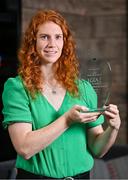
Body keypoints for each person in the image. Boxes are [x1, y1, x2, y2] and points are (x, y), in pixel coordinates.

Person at [2, 9, 121, 179]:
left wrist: (113, 128)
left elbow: (97, 148)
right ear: (32, 42)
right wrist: (67, 120)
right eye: (44, 37)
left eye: (58, 37)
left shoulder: (84, 89)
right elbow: (24, 148)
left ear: (65, 43)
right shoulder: (17, 88)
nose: (52, 44)